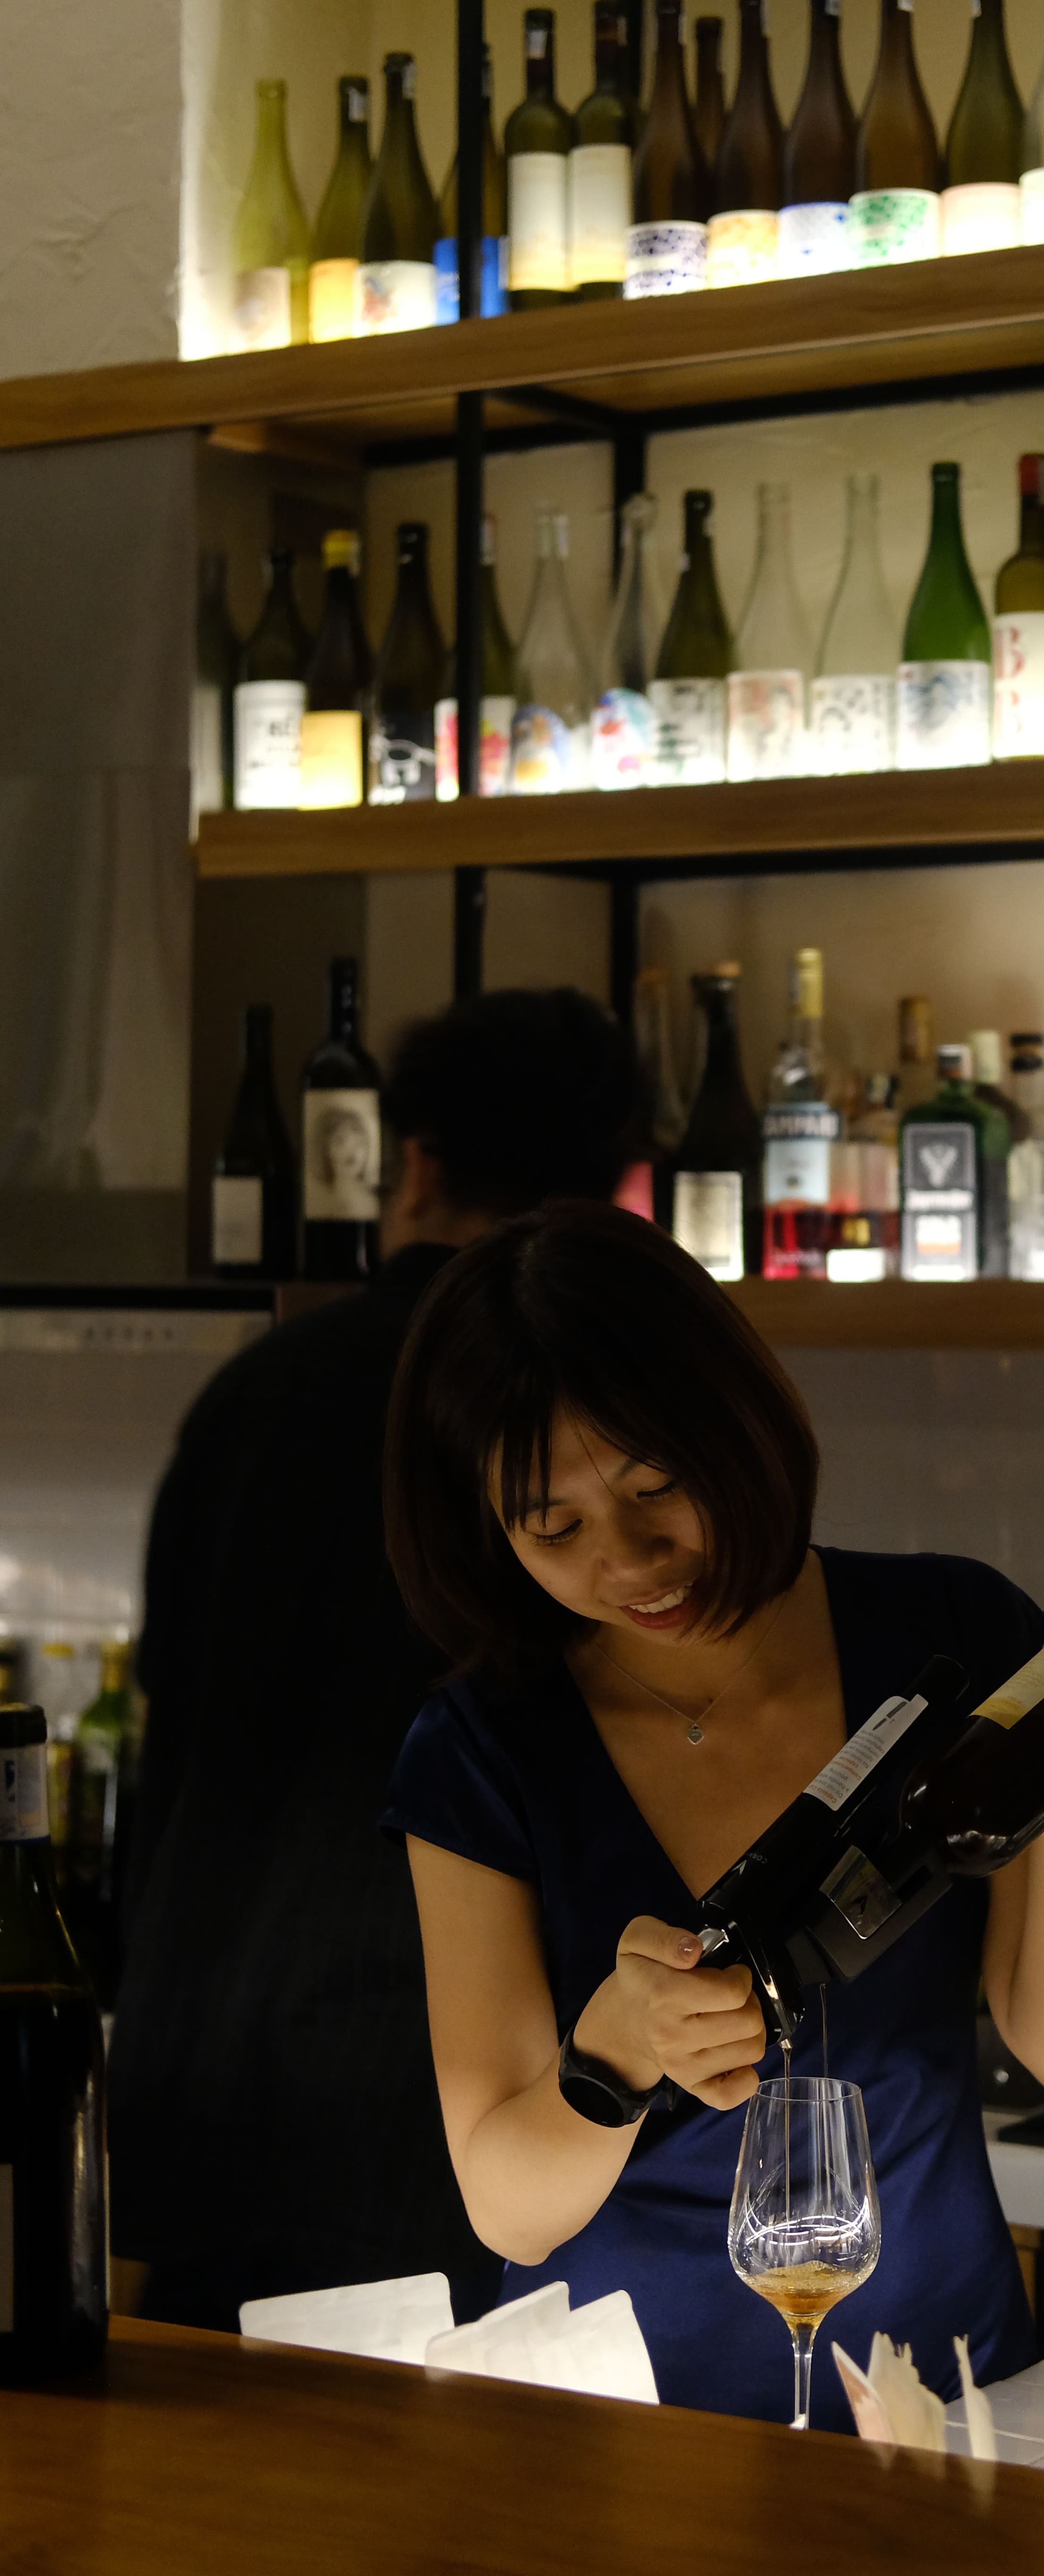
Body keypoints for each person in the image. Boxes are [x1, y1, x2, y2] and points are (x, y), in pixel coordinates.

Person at [381, 1202, 1044, 2425]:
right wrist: (615, 2056)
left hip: (938, 2414)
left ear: (736, 1428)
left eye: (661, 1486)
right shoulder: (484, 1747)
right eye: (558, 1529)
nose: (635, 1557)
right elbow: (507, 2203)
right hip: (622, 2448)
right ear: (492, 1531)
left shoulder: (951, 1636)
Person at [110, 987, 642, 2331]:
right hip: (449, 2126)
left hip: (205, 2082)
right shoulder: (592, 1428)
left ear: (414, 1165)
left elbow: (169, 1743)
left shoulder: (259, 1392)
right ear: (623, 1190)